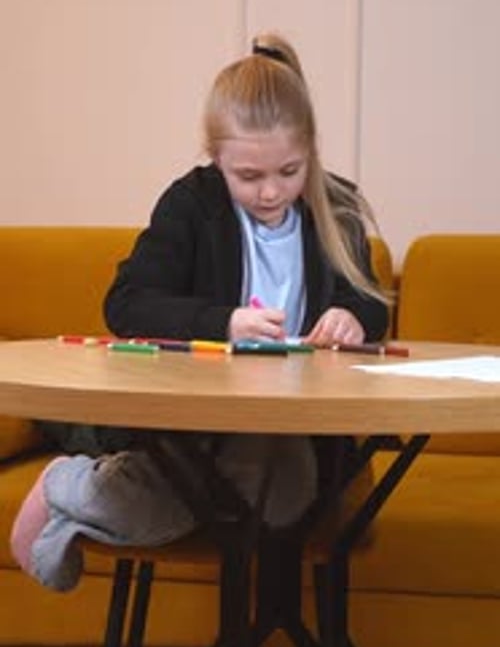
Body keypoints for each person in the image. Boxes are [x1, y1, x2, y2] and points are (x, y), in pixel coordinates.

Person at [10, 32, 390, 592]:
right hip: (199, 425)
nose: (270, 193)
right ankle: (71, 484)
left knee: (286, 503)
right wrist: (224, 322)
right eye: (248, 176)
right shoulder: (191, 204)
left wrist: (353, 319)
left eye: (289, 172)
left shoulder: (337, 205)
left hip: (300, 430)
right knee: (252, 497)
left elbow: (370, 303)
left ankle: (81, 500)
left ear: (310, 149)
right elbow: (127, 303)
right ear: (217, 159)